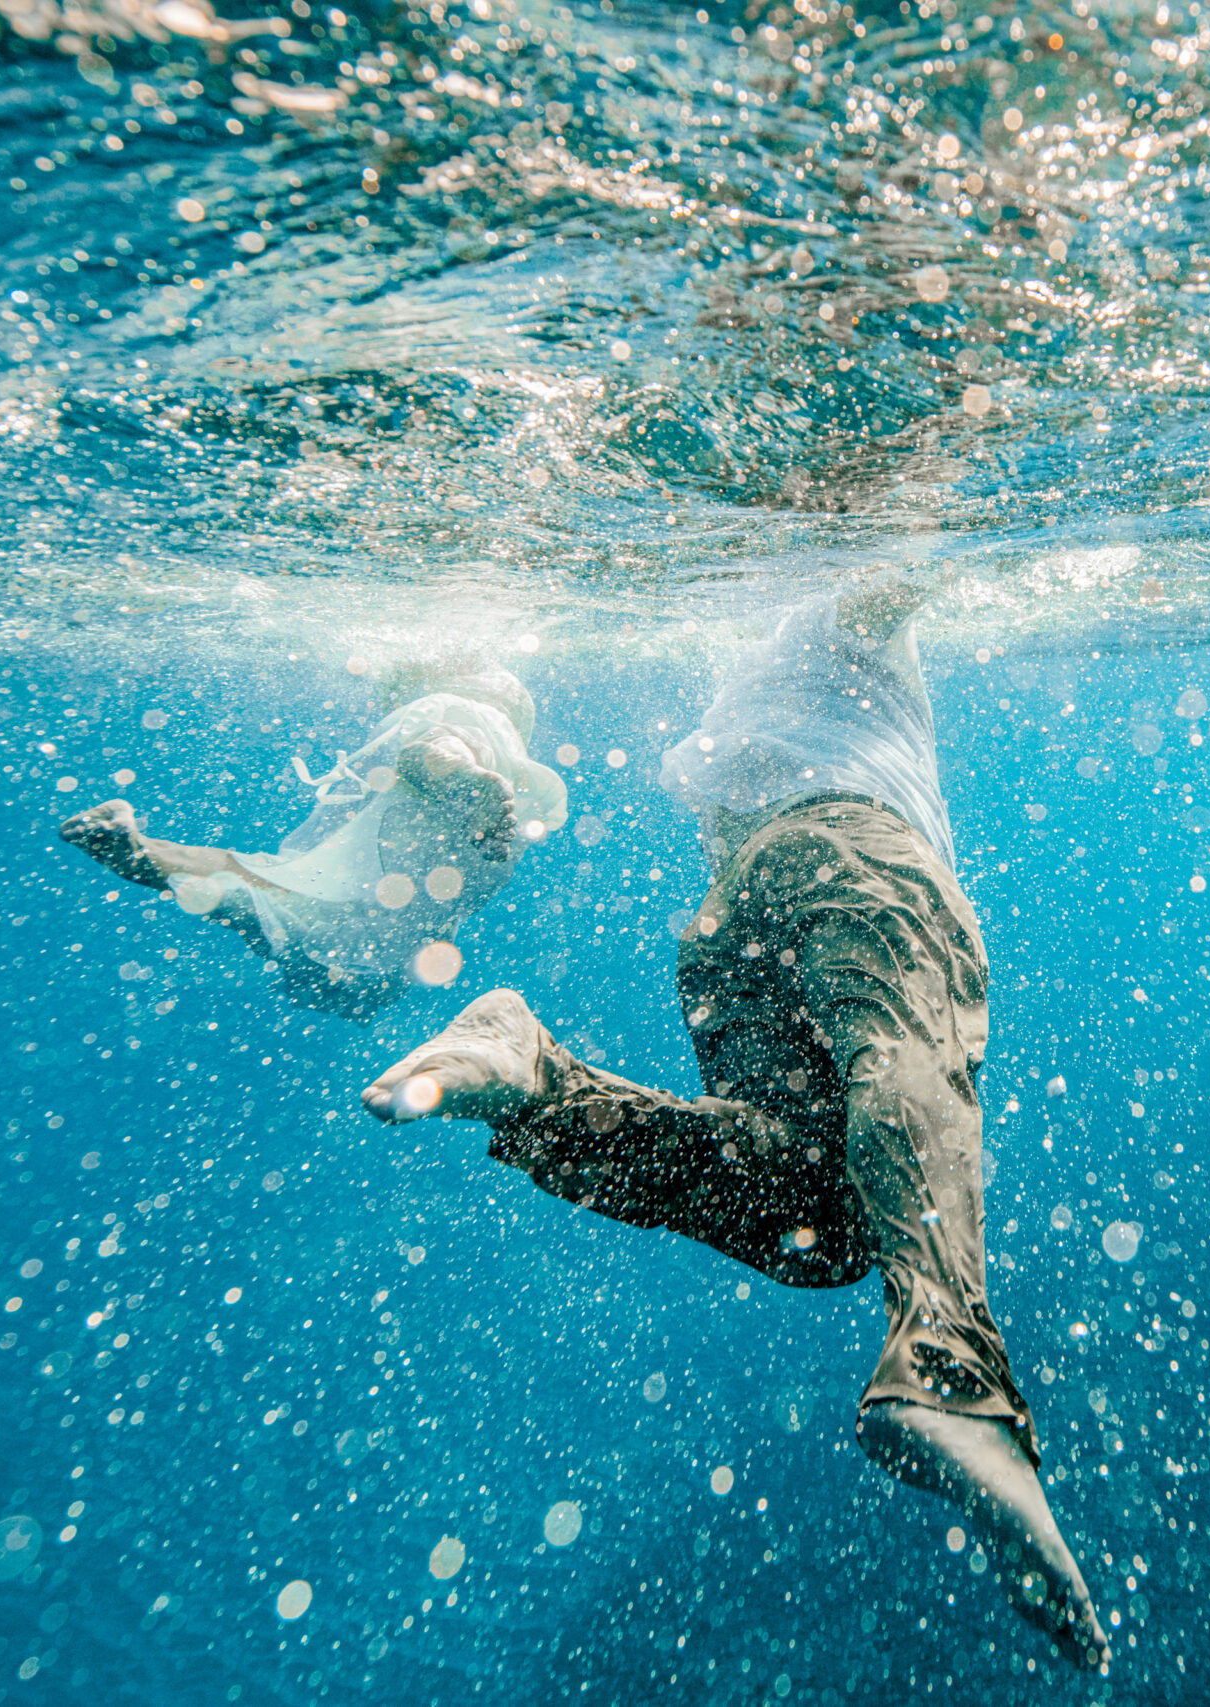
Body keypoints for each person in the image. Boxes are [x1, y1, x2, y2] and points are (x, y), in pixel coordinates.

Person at [359, 589, 1110, 1671]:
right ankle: (951, 1372)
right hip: (861, 847)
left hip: (732, 902)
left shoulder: (745, 642)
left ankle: (538, 1081)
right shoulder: (849, 605)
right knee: (909, 1063)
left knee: (817, 1218)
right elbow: (885, 563)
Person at [60, 658, 566, 1019]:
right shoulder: (365, 946)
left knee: (264, 882)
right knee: (262, 886)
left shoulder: (386, 945)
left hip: (465, 802)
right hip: (472, 760)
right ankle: (453, 765)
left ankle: (453, 765)